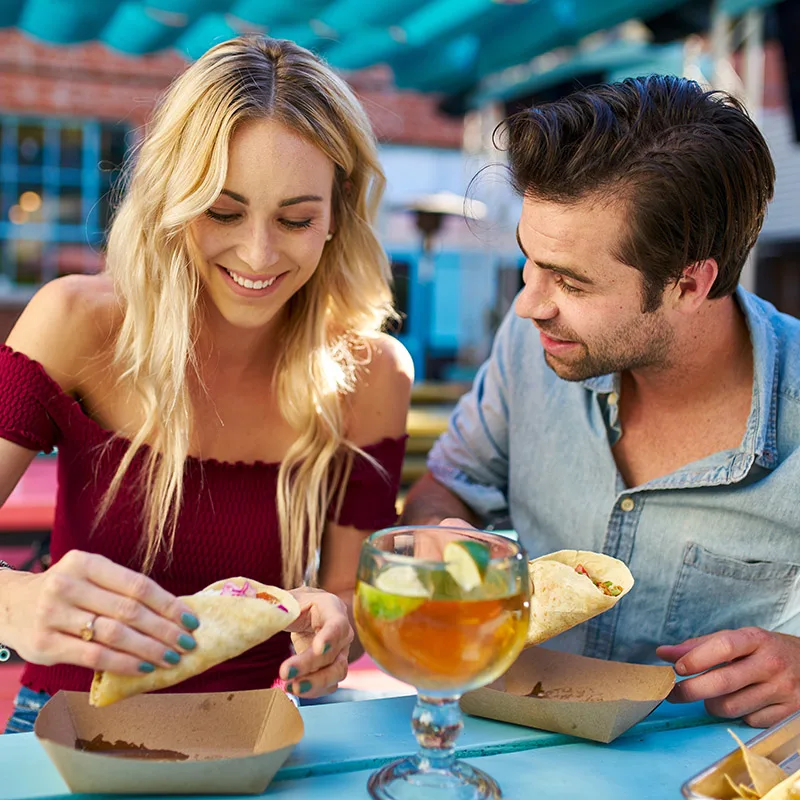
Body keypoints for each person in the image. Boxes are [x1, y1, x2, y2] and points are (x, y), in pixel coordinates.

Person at [0, 35, 413, 733]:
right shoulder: (76, 321)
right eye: (223, 212)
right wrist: (14, 604)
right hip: (70, 725)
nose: (258, 254)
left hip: (263, 734)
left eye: (295, 219)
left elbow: (349, 599)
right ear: (171, 195)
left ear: (337, 215)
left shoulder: (372, 373)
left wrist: (338, 626)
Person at [402, 74, 800, 728]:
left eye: (571, 282)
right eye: (530, 261)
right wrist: (443, 537)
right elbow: (450, 485)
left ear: (689, 283)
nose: (528, 303)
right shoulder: (531, 343)